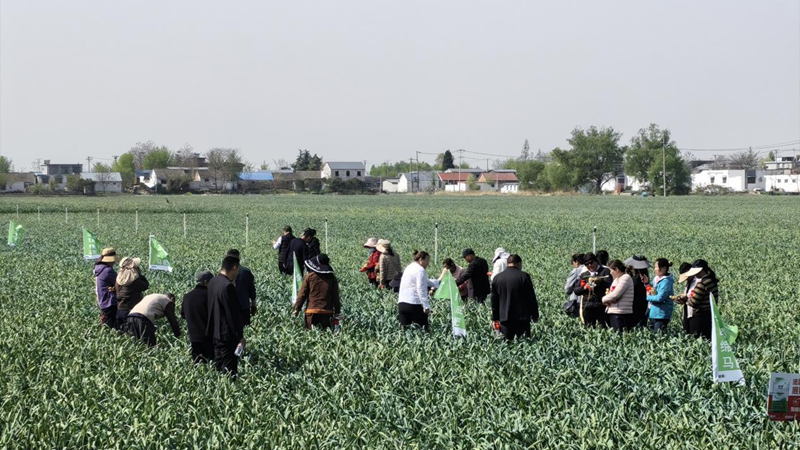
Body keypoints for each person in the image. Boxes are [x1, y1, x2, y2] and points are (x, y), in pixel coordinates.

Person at [207, 256, 245, 378]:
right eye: (237, 270)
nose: (237, 274)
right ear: (234, 268)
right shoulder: (227, 286)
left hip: (215, 331)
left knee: (219, 365)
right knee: (230, 369)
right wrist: (239, 337)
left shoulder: (213, 281)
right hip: (227, 335)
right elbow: (232, 314)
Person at [491, 254, 539, 341]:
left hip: (504, 318)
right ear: (519, 263)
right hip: (522, 318)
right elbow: (531, 297)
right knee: (524, 345)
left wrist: (495, 318)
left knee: (507, 345)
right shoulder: (524, 276)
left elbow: (494, 301)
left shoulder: (497, 278)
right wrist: (535, 315)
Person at [293, 254, 341, 330]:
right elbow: (335, 296)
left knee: (311, 336)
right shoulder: (331, 277)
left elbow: (302, 294)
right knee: (326, 336)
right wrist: (337, 311)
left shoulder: (309, 277)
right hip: (327, 312)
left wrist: (297, 309)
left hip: (311, 311)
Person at [675, 259, 719, 340]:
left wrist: (685, 300)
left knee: (697, 338)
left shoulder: (702, 284)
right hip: (709, 313)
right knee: (707, 338)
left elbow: (694, 302)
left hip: (700, 316)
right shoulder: (712, 280)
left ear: (701, 270)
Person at [181, 270, 214, 364]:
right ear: (206, 282)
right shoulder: (209, 296)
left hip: (193, 336)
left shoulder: (187, 296)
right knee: (211, 364)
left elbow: (183, 314)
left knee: (197, 363)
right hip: (209, 336)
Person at [573, 252, 611, 328]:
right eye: (587, 264)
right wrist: (585, 287)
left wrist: (598, 282)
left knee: (603, 328)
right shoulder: (584, 275)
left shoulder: (605, 271)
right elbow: (576, 290)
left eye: (591, 262)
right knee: (588, 328)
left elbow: (608, 285)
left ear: (596, 261)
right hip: (588, 306)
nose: (589, 265)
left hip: (601, 305)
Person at [397, 250, 433, 331]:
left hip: (402, 303)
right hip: (414, 303)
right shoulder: (420, 270)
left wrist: (438, 282)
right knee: (423, 330)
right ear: (421, 260)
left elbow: (425, 281)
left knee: (405, 331)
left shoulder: (409, 267)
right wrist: (426, 306)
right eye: (427, 260)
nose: (428, 263)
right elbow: (421, 288)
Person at [115, 257, 150, 330]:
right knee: (132, 333)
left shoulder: (119, 279)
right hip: (131, 310)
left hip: (120, 310)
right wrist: (140, 275)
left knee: (122, 332)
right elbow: (145, 286)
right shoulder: (134, 280)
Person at [602, 260, 635, 332]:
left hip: (621, 313)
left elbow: (616, 294)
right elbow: (611, 293)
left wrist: (603, 299)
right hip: (614, 311)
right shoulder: (617, 279)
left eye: (611, 270)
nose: (610, 273)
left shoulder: (625, 278)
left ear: (616, 269)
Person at [226, 249, 257, 327]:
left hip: (229, 307)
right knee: (245, 329)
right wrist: (253, 304)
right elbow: (251, 290)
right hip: (243, 306)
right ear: (239, 258)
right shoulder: (246, 272)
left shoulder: (223, 272)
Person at [646, 258, 675, 334]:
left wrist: (647, 297)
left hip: (661, 314)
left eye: (656, 267)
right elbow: (653, 291)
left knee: (659, 336)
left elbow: (659, 298)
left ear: (664, 268)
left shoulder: (666, 282)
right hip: (654, 312)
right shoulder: (656, 279)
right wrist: (647, 284)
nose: (655, 269)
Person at [94, 247, 119, 329]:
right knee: (112, 326)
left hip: (102, 300)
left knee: (107, 323)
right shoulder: (107, 271)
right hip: (109, 301)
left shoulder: (100, 268)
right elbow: (118, 283)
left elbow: (108, 286)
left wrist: (111, 288)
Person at [624, 255, 651, 328]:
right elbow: (649, 290)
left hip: (635, 305)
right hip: (643, 304)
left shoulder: (636, 279)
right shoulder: (645, 277)